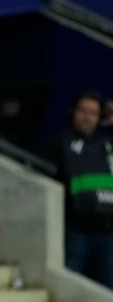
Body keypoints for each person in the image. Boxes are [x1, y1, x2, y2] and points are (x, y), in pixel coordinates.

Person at [48, 91, 113, 288]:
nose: (87, 117)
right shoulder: (61, 142)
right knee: (68, 288)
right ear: (73, 112)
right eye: (83, 111)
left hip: (109, 233)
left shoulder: (108, 143)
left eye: (93, 113)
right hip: (77, 233)